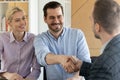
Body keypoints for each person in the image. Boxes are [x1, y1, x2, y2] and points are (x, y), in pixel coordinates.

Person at [34, 1, 91, 80]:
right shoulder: (40, 39)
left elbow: (86, 63)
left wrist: (75, 78)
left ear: (63, 17)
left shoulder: (78, 34)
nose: (56, 21)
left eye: (59, 16)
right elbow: (42, 58)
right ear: (45, 19)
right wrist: (62, 59)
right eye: (52, 17)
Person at [67, 0, 120, 80]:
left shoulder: (102, 63)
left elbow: (103, 69)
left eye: (91, 19)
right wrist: (82, 66)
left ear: (97, 27)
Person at [0, 7, 40, 80]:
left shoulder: (34, 39)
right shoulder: (2, 38)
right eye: (17, 20)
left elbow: (36, 69)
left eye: (24, 18)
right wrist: (7, 75)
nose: (22, 22)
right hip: (5, 78)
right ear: (9, 23)